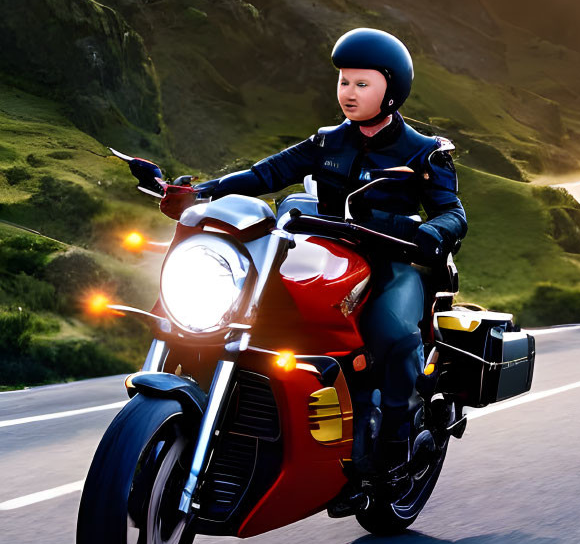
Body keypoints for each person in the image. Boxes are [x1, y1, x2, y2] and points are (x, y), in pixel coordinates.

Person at [131, 28, 467, 483]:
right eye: (344, 82)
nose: (348, 93)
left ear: (392, 90)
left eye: (361, 83)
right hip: (323, 254)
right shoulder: (328, 141)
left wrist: (432, 231)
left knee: (392, 331)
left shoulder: (425, 153)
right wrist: (199, 193)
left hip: (392, 261)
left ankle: (395, 440)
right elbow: (263, 174)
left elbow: (453, 212)